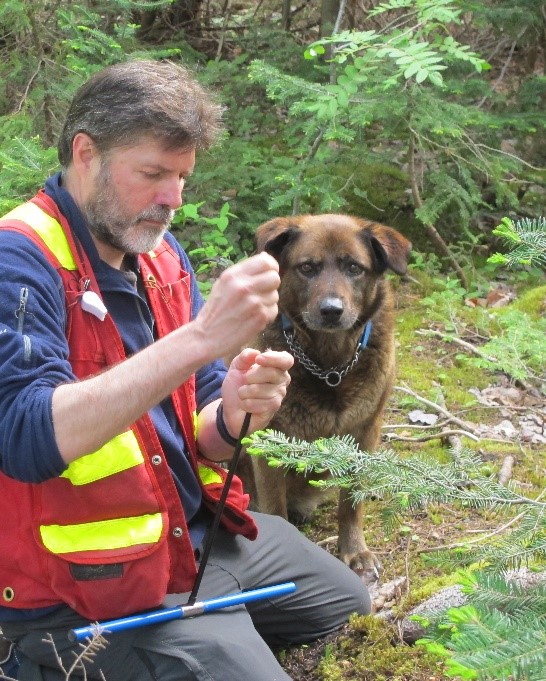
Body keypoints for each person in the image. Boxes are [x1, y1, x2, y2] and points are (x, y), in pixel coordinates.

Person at [0, 59, 371, 681]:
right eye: (153, 174)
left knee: (344, 603)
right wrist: (202, 338)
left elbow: (203, 421)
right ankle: (41, 659)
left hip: (189, 532)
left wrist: (233, 410)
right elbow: (24, 437)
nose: (172, 199)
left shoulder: (158, 252)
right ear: (85, 153)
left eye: (181, 177)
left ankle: (213, 628)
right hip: (83, 588)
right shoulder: (20, 260)